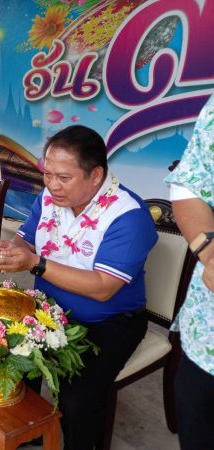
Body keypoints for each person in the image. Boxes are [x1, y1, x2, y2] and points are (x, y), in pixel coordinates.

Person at [0, 125, 157, 450]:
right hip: (50, 311)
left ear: (95, 175)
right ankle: (29, 435)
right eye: (47, 174)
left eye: (63, 177)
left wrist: (35, 263)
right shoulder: (49, 197)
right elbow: (26, 236)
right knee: (6, 363)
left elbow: (103, 288)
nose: (51, 185)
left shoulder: (128, 216)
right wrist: (10, 249)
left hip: (108, 322)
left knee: (75, 399)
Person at [165, 94, 214, 450]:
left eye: (63, 175)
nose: (52, 184)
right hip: (207, 335)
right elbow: (189, 185)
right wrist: (211, 253)